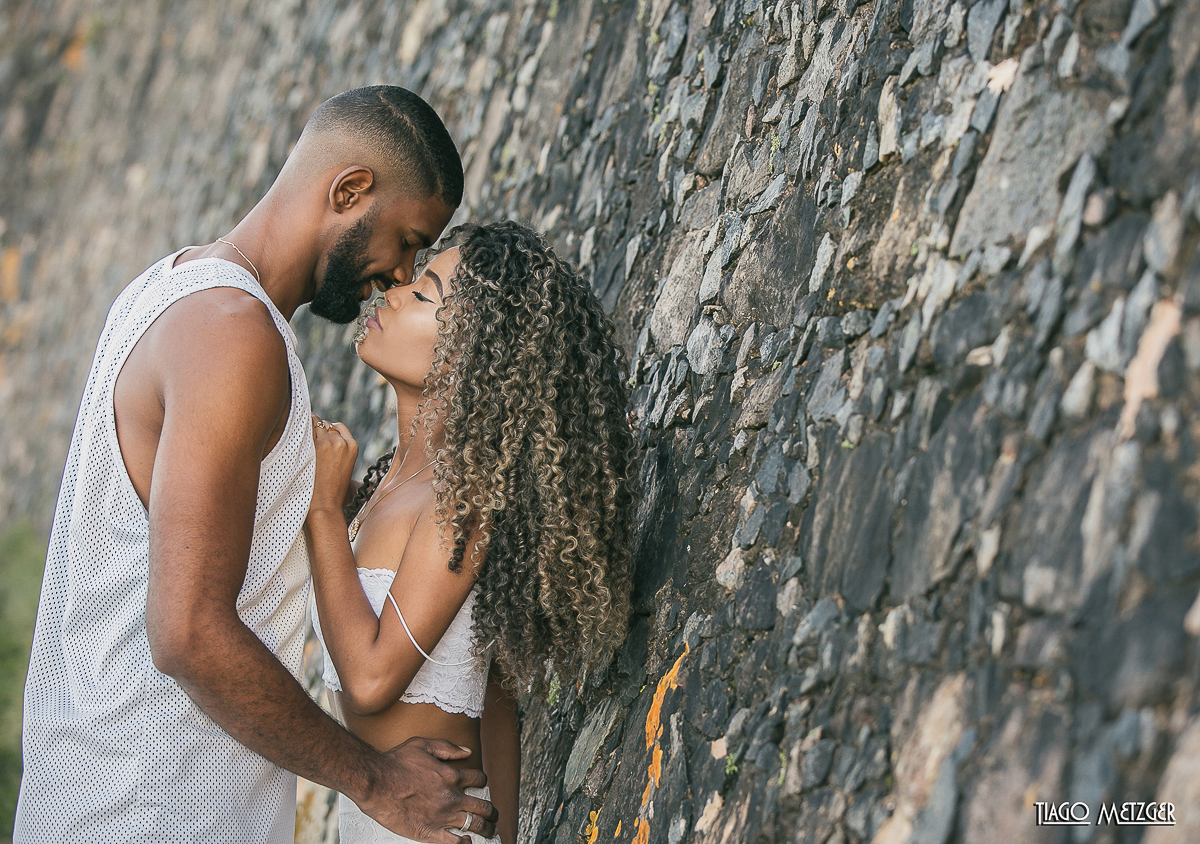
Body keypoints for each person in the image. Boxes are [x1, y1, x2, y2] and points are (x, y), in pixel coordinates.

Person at [16, 86, 499, 844]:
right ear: (349, 191)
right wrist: (378, 785)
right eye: (407, 240)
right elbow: (187, 632)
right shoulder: (232, 335)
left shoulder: (167, 290)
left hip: (98, 791)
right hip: (151, 812)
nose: (403, 273)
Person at [305, 221, 636, 844]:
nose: (394, 292)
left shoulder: (463, 498)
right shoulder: (389, 486)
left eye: (424, 295)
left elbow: (370, 682)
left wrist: (323, 516)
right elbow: (496, 696)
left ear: (473, 354)